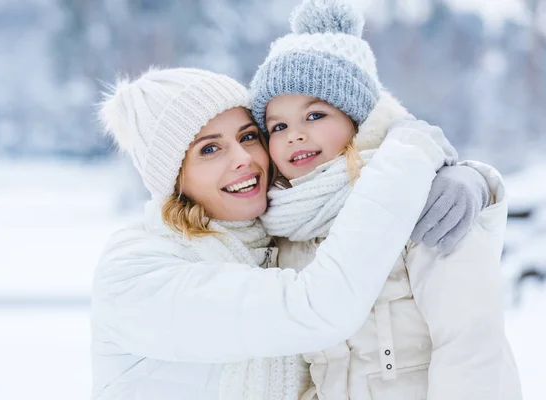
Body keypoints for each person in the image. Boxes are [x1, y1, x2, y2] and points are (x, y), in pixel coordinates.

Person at [91, 67, 480, 400]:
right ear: (174, 178)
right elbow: (319, 308)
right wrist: (409, 158)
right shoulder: (135, 273)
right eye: (210, 150)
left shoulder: (281, 238)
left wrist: (466, 179)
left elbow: (339, 182)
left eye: (247, 136)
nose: (243, 159)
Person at [249, 1, 522, 399]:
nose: (294, 135)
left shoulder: (422, 199)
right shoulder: (283, 234)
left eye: (314, 116)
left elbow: (471, 342)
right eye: (278, 125)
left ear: (355, 119)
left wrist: (475, 178)